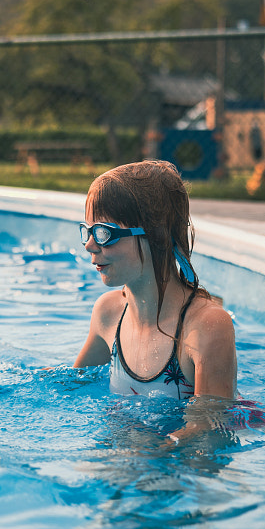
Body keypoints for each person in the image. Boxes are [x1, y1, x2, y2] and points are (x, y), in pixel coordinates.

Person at [74, 160, 239, 440]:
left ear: (156, 235)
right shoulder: (109, 312)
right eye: (88, 231)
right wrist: (0, 383)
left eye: (104, 233)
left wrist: (146, 458)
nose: (90, 245)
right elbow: (70, 382)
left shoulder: (205, 326)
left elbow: (208, 433)